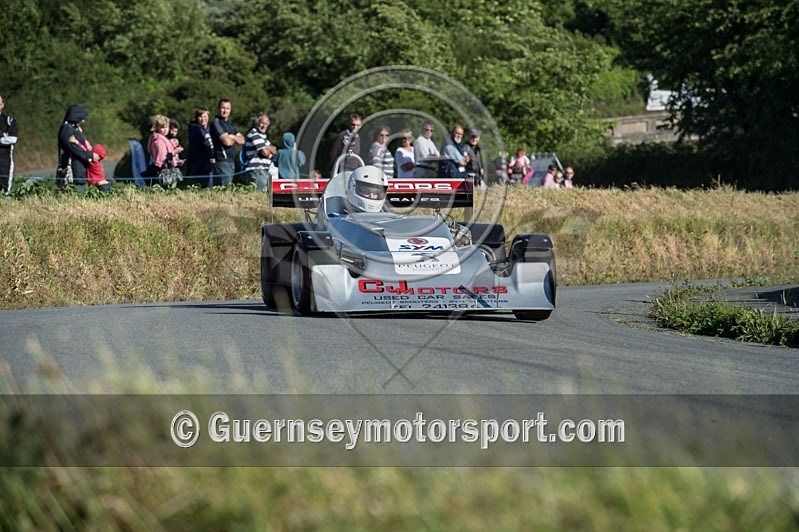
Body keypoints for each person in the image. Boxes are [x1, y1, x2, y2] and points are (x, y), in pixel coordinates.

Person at [57, 104, 99, 190]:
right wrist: (90, 156)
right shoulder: (67, 129)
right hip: (72, 169)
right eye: (80, 118)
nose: (83, 121)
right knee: (76, 192)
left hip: (79, 168)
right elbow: (74, 148)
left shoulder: (73, 128)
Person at [210, 98, 245, 186]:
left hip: (231, 162)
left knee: (228, 189)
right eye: (223, 108)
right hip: (222, 162)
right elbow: (226, 142)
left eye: (227, 108)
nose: (225, 111)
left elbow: (242, 140)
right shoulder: (216, 122)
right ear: (218, 109)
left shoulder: (230, 124)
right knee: (223, 190)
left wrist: (232, 136)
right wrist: (233, 138)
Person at [241, 113, 276, 191]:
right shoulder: (254, 134)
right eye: (262, 123)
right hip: (257, 171)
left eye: (266, 124)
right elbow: (265, 152)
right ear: (257, 123)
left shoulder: (263, 137)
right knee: (258, 195)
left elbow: (274, 150)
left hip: (264, 170)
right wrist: (268, 150)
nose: (263, 126)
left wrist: (268, 149)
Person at [145, 114, 179, 186]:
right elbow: (162, 158)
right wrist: (174, 152)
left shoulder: (157, 138)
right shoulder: (158, 140)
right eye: (162, 127)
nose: (165, 130)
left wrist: (172, 143)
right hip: (163, 170)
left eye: (167, 127)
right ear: (157, 127)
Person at [184, 107, 215, 187]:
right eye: (200, 116)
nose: (203, 119)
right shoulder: (196, 130)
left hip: (210, 165)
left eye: (205, 116)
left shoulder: (210, 129)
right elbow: (192, 149)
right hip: (200, 165)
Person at [0, 95, 18, 195]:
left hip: (4, 161)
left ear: (2, 105)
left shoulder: (8, 120)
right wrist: (2, 135)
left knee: (4, 189)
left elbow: (13, 139)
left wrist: (2, 139)